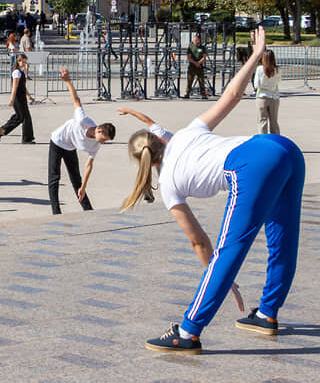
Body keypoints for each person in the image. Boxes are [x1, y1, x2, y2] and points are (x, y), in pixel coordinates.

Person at [128, 26, 304, 354]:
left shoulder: (167, 185)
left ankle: (188, 331)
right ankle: (267, 313)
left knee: (230, 250)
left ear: (144, 163)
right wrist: (255, 54)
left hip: (252, 165)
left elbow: (201, 243)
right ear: (158, 140)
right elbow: (232, 97)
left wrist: (224, 280)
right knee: (283, 240)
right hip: (283, 147)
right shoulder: (182, 134)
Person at [47, 67, 115, 215]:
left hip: (70, 147)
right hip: (57, 141)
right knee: (54, 178)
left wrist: (83, 187)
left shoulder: (96, 145)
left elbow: (89, 166)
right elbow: (76, 100)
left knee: (76, 179)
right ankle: (56, 213)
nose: (102, 143)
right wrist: (68, 81)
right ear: (98, 130)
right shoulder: (83, 120)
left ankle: (88, 210)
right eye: (103, 139)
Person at [254, 49, 281, 134]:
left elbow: (256, 84)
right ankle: (276, 140)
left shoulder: (259, 69)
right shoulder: (277, 69)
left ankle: (263, 141)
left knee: (262, 121)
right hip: (274, 97)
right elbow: (279, 81)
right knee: (274, 122)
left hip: (262, 97)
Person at [185, 34, 208, 99]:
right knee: (190, 80)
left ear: (199, 40)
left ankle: (203, 93)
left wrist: (199, 63)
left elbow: (204, 57)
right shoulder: (191, 47)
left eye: (196, 40)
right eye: (194, 40)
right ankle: (187, 93)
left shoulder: (202, 47)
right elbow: (189, 57)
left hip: (200, 66)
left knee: (201, 80)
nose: (195, 41)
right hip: (192, 65)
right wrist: (195, 63)